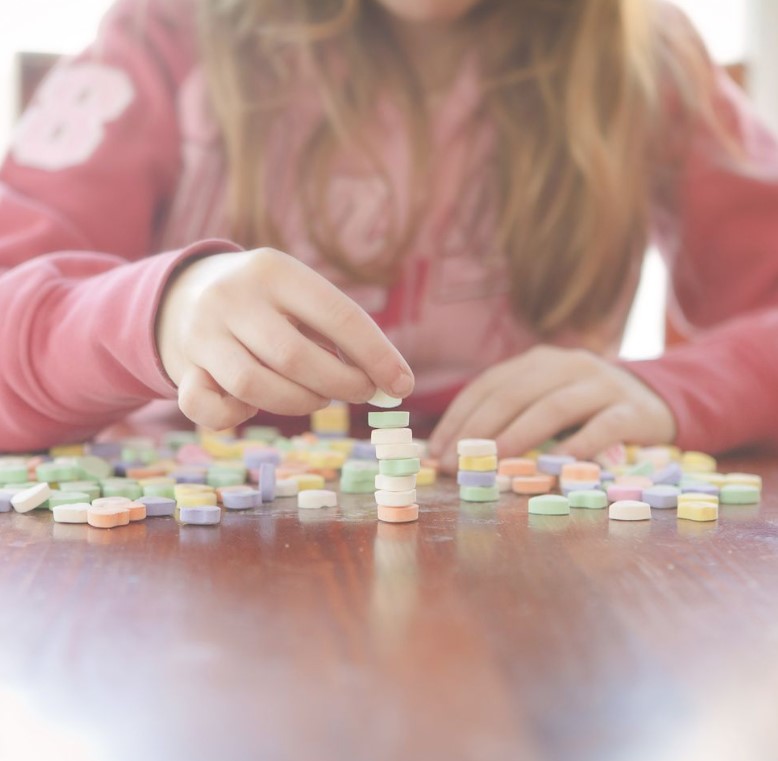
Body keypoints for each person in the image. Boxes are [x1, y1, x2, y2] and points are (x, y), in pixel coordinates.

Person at [0, 0, 776, 474]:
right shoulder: (162, 34)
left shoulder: (652, 60)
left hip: (526, 570)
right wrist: (160, 313)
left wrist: (674, 391)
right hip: (187, 553)